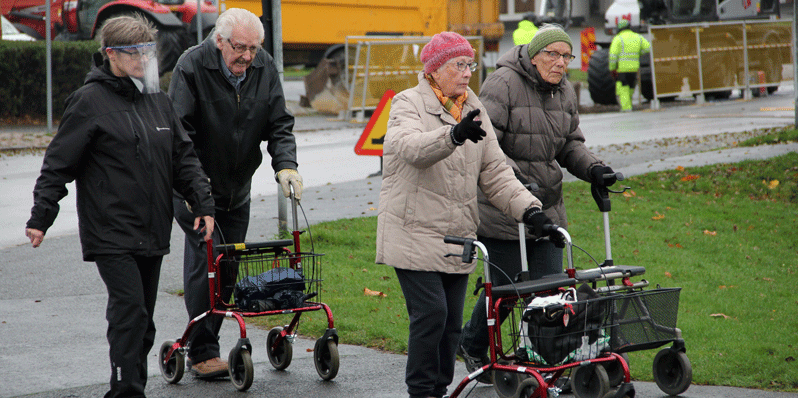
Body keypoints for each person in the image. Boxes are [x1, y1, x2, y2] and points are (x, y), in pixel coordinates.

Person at [24, 15, 215, 398]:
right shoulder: (88, 101)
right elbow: (58, 163)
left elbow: (183, 158)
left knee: (144, 324)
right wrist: (41, 216)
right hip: (110, 230)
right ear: (110, 54)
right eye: (133, 53)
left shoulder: (157, 100)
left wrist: (203, 204)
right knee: (130, 314)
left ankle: (128, 383)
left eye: (147, 52)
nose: (143, 61)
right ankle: (126, 391)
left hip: (152, 229)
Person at [375, 31, 552, 398]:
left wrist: (531, 212)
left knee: (452, 325)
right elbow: (410, 149)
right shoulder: (408, 103)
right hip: (412, 233)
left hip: (457, 237)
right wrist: (452, 136)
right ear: (435, 69)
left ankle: (438, 390)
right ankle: (422, 392)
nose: (468, 72)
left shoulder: (474, 108)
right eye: (459, 64)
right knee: (431, 317)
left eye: (470, 64)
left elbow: (496, 173)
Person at [458, 24, 618, 383]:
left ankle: (546, 359)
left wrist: (594, 168)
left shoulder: (564, 92)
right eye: (553, 54)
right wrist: (515, 178)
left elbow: (568, 144)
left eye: (566, 56)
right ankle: (471, 343)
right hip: (504, 208)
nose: (561, 63)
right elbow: (487, 145)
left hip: (546, 209)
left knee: (550, 289)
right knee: (509, 288)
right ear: (534, 55)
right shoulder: (502, 84)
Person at [167, 7, 302, 378]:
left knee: (229, 267)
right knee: (206, 263)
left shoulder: (264, 67)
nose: (247, 56)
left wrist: (285, 165)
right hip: (195, 191)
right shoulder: (192, 67)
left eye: (254, 49)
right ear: (219, 40)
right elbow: (180, 136)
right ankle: (201, 352)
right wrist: (196, 188)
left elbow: (279, 123)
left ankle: (204, 342)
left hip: (236, 190)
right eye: (239, 47)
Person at [609, 18, 651, 111]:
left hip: (622, 69)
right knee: (631, 87)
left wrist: (612, 69)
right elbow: (647, 48)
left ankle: (626, 108)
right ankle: (629, 105)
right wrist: (638, 54)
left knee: (623, 88)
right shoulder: (637, 37)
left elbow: (613, 56)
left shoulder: (618, 39)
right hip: (634, 68)